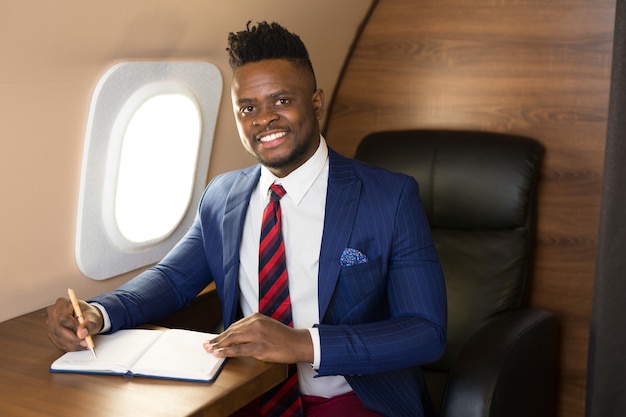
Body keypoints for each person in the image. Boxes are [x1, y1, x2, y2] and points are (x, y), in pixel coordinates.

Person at [46, 21, 447, 417]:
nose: (263, 119)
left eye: (281, 101)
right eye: (248, 108)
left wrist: (301, 344)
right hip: (244, 391)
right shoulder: (222, 196)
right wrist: (97, 313)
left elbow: (425, 331)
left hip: (348, 397)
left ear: (317, 101)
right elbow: (171, 280)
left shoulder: (388, 197)